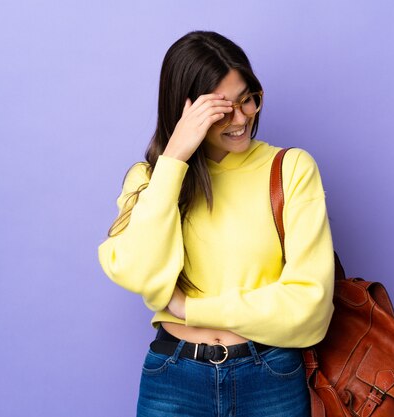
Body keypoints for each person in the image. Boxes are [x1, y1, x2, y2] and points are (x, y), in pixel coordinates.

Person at [97, 30, 335, 417]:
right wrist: (174, 158)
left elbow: (309, 307)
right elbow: (136, 271)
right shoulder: (149, 179)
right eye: (223, 109)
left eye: (249, 100)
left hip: (270, 375)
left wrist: (189, 307)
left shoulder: (290, 169)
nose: (241, 119)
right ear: (187, 110)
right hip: (174, 379)